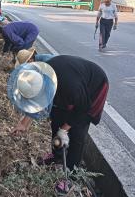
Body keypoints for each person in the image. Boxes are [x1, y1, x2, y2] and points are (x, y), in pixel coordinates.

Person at [8, 55, 109, 194]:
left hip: (92, 87)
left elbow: (83, 108)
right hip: (68, 87)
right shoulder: (40, 77)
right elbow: (37, 102)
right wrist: (24, 124)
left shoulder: (70, 86)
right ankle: (57, 156)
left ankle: (71, 176)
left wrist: (65, 129)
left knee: (77, 134)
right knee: (56, 118)